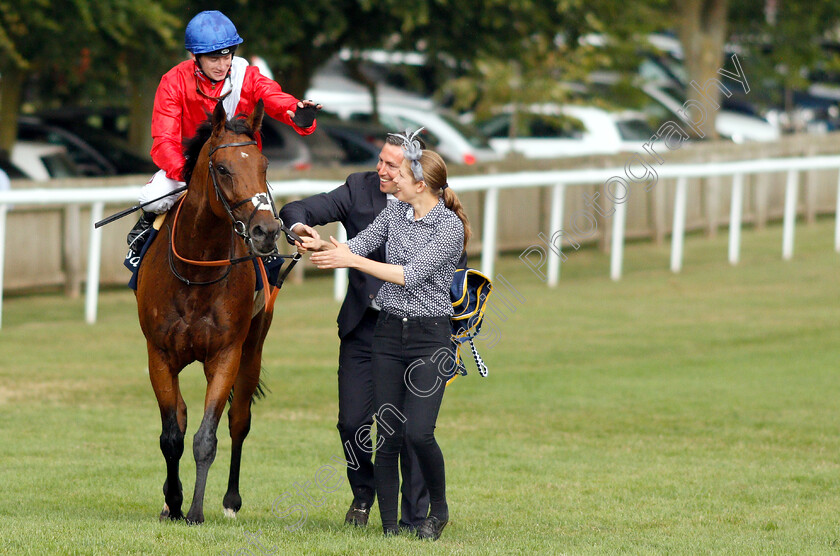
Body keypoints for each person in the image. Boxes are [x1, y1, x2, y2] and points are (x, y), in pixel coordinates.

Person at [280, 134, 461, 532]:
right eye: (383, 164)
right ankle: (384, 520)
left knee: (418, 433)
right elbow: (356, 245)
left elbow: (411, 275)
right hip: (380, 332)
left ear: (419, 181)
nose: (386, 176)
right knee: (377, 432)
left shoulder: (447, 225)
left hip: (428, 335)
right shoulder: (386, 209)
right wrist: (316, 244)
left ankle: (429, 515)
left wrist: (350, 259)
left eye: (396, 170)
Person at [127, 10, 321, 248]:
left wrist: (296, 110)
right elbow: (163, 141)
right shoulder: (173, 81)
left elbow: (271, 95)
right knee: (152, 199)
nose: (222, 65)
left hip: (238, 169)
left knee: (264, 209)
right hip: (187, 166)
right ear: (194, 56)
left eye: (227, 56)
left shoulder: (246, 76)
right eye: (213, 59)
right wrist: (190, 173)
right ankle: (141, 246)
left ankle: (267, 265)